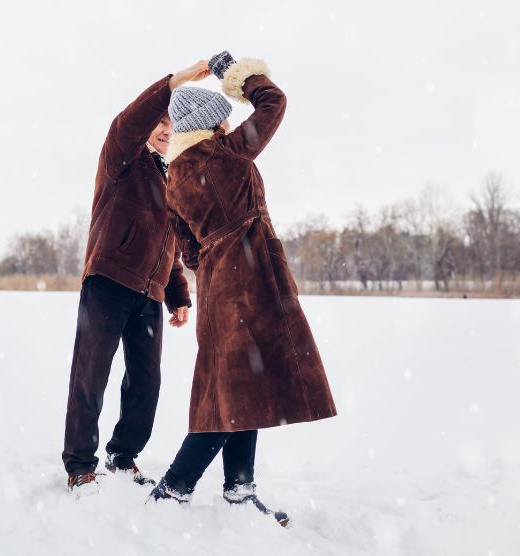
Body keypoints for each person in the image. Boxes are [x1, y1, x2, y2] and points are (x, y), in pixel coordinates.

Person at [148, 52, 338, 526]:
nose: (231, 119)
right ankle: (174, 488)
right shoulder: (227, 152)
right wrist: (241, 75)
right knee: (232, 391)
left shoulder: (175, 178)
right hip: (250, 279)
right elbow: (274, 102)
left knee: (238, 386)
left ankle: (238, 489)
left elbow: (188, 250)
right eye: (225, 115)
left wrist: (216, 255)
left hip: (218, 282)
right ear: (212, 123)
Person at [62, 61, 211, 494]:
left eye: (171, 125)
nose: (166, 130)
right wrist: (176, 83)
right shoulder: (121, 158)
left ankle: (122, 456)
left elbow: (169, 246)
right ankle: (80, 467)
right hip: (108, 281)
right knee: (90, 375)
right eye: (160, 122)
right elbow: (129, 119)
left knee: (146, 382)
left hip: (148, 294)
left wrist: (177, 295)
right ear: (147, 126)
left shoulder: (171, 178)